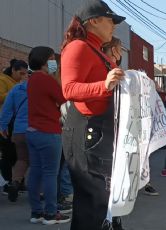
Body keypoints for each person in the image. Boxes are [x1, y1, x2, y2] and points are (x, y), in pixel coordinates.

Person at [60, 1, 126, 229]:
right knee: (91, 205)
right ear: (94, 21)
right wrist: (104, 85)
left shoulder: (97, 50)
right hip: (87, 133)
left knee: (103, 203)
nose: (114, 26)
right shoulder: (78, 47)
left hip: (99, 133)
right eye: (111, 20)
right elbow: (68, 89)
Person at [102, 37, 160, 197]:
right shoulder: (106, 69)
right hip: (110, 123)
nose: (121, 53)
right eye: (120, 49)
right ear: (114, 50)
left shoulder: (117, 70)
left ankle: (139, 182)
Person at [26, 46, 69, 224]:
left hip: (32, 131)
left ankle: (36, 212)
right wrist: (57, 76)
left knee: (35, 172)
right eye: (52, 59)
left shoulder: (32, 79)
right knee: (51, 173)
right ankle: (51, 213)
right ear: (45, 61)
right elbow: (63, 99)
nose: (55, 62)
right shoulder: (48, 80)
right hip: (49, 132)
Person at [0, 70, 29, 202]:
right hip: (38, 130)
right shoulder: (43, 88)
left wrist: (3, 126)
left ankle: (15, 182)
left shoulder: (16, 89)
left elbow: (7, 109)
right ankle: (39, 193)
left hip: (19, 130)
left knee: (22, 159)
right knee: (38, 163)